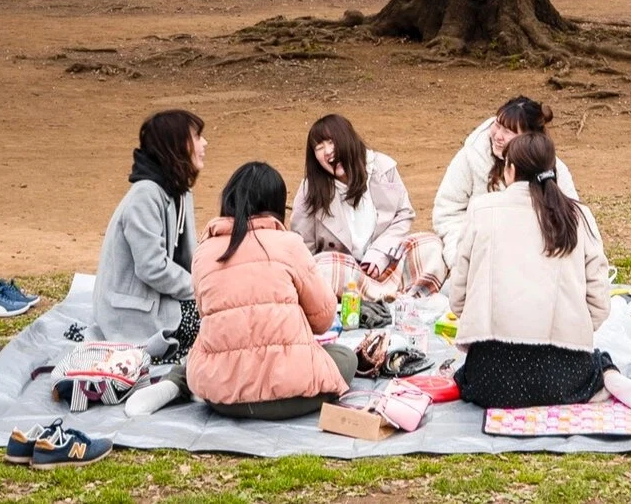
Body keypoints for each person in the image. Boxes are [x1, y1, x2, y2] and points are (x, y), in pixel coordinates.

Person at [446, 131, 613, 408]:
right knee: (603, 362)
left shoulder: (481, 210)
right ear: (553, 170)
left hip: (492, 379)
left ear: (509, 170)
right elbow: (599, 303)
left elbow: (458, 297)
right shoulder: (578, 216)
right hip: (563, 378)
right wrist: (572, 328)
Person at [186, 161, 359, 419]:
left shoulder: (204, 252)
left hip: (222, 397)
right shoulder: (288, 244)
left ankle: (174, 382)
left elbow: (208, 315)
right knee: (346, 357)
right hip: (291, 394)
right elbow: (323, 320)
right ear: (276, 204)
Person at [288, 113, 445, 300]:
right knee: (327, 265)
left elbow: (404, 214)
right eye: (319, 147)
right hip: (346, 275)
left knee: (431, 245)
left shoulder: (381, 167)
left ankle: (381, 300)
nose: (328, 151)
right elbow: (302, 245)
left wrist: (380, 253)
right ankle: (394, 300)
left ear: (348, 139)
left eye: (331, 142)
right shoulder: (310, 189)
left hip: (386, 265)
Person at [93, 109, 205, 356]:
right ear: (175, 145)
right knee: (218, 326)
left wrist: (211, 280)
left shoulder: (180, 191)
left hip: (165, 298)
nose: (204, 143)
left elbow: (189, 256)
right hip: (134, 311)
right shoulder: (145, 195)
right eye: (197, 137)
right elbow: (152, 267)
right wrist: (200, 289)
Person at [432, 95, 577, 264]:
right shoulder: (471, 156)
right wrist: (460, 257)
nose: (498, 136)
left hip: (534, 258)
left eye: (508, 132)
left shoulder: (554, 169)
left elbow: (570, 218)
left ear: (530, 139)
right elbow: (448, 211)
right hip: (478, 255)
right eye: (498, 125)